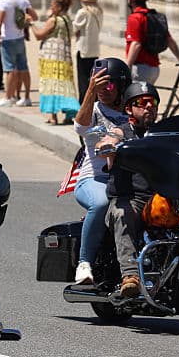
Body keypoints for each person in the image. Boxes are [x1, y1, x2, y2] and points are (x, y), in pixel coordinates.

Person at [71, 57, 132, 284]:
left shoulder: (132, 111)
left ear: (122, 86)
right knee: (101, 203)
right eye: (98, 84)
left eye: (108, 85)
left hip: (128, 180)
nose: (103, 90)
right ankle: (84, 263)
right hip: (94, 179)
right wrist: (90, 90)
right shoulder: (94, 109)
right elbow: (80, 126)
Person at [103, 81, 162, 297]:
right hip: (132, 200)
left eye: (152, 102)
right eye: (141, 102)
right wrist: (107, 145)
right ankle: (130, 275)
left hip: (162, 199)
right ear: (129, 109)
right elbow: (111, 137)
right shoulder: (123, 132)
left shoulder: (163, 134)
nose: (148, 107)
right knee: (121, 212)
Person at [124, 0, 179, 84]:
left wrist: (126, 68)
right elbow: (170, 41)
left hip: (139, 69)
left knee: (130, 98)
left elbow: (136, 44)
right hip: (154, 69)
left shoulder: (135, 18)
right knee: (146, 99)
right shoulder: (154, 17)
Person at [31, 0, 80, 124]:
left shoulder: (53, 21)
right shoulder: (67, 19)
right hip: (64, 57)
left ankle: (53, 116)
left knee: (51, 84)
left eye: (52, 5)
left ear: (58, 7)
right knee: (65, 85)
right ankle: (69, 115)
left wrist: (31, 23)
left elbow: (39, 35)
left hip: (51, 57)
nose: (50, 7)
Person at [0, 0, 37, 107]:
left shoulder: (4, 1)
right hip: (20, 37)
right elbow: (34, 16)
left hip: (8, 38)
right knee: (23, 67)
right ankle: (27, 97)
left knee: (10, 69)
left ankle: (8, 97)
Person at [72, 0, 103, 103]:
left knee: (83, 79)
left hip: (83, 49)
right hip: (94, 49)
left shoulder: (83, 12)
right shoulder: (99, 11)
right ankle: (94, 101)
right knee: (93, 77)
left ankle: (84, 103)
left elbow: (75, 27)